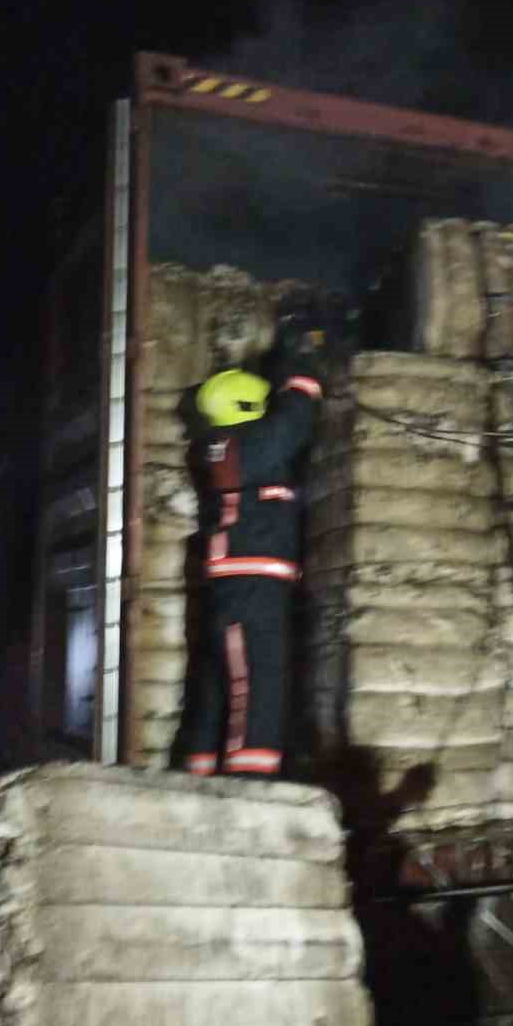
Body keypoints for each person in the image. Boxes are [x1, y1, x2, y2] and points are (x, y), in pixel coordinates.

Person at [181, 301, 325, 778]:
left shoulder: (227, 447)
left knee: (220, 685)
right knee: (259, 683)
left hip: (240, 578)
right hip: (249, 582)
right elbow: (296, 419)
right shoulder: (245, 447)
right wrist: (299, 359)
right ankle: (251, 785)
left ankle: (199, 774)